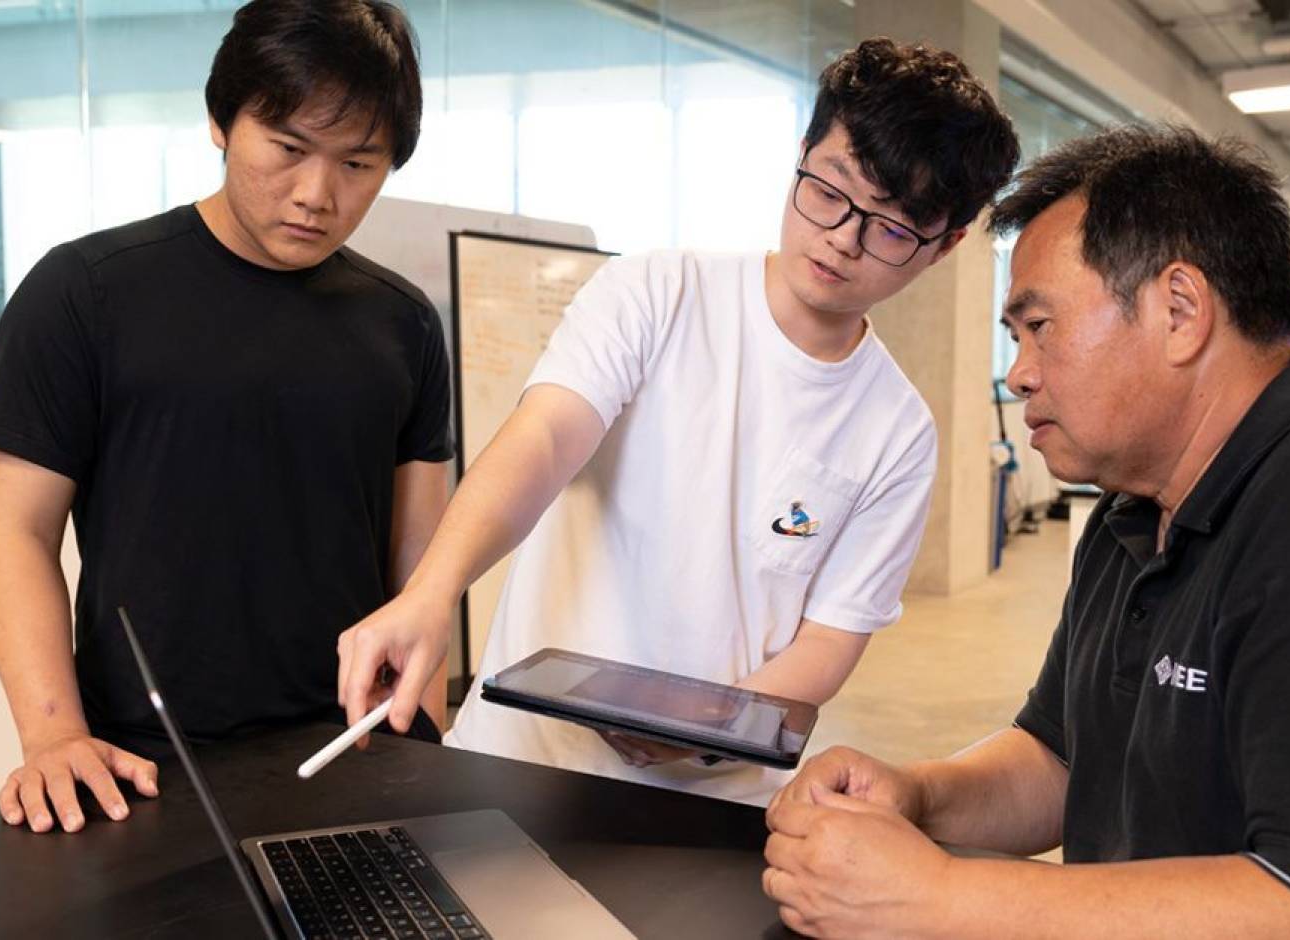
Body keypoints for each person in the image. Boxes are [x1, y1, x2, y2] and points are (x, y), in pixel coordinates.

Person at [761, 124, 1290, 938]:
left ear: (1179, 312)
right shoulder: (1133, 510)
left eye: (1041, 327)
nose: (1020, 371)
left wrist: (939, 899)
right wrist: (919, 797)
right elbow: (1062, 759)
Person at [336, 38, 1020, 804]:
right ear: (802, 153)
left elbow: (829, 641)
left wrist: (702, 726)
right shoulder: (656, 293)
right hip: (519, 765)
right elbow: (545, 438)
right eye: (830, 192)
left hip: (714, 803)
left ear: (947, 245)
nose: (842, 238)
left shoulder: (897, 432)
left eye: (892, 229)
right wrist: (433, 591)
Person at [0, 0, 452, 835]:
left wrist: (418, 711)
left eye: (358, 164)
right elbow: (13, 532)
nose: (317, 195)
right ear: (221, 121)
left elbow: (419, 558)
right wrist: (52, 735)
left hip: (346, 754)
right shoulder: (84, 293)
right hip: (136, 768)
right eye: (289, 148)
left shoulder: (402, 323)